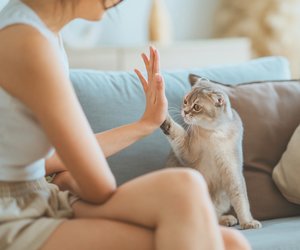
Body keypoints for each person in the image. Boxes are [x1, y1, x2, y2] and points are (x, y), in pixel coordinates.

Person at [0, 0, 251, 249]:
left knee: (229, 239)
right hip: (12, 213)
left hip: (39, 194)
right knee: (189, 196)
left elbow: (44, 158)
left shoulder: (42, 31)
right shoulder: (28, 43)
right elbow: (97, 186)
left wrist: (146, 123)